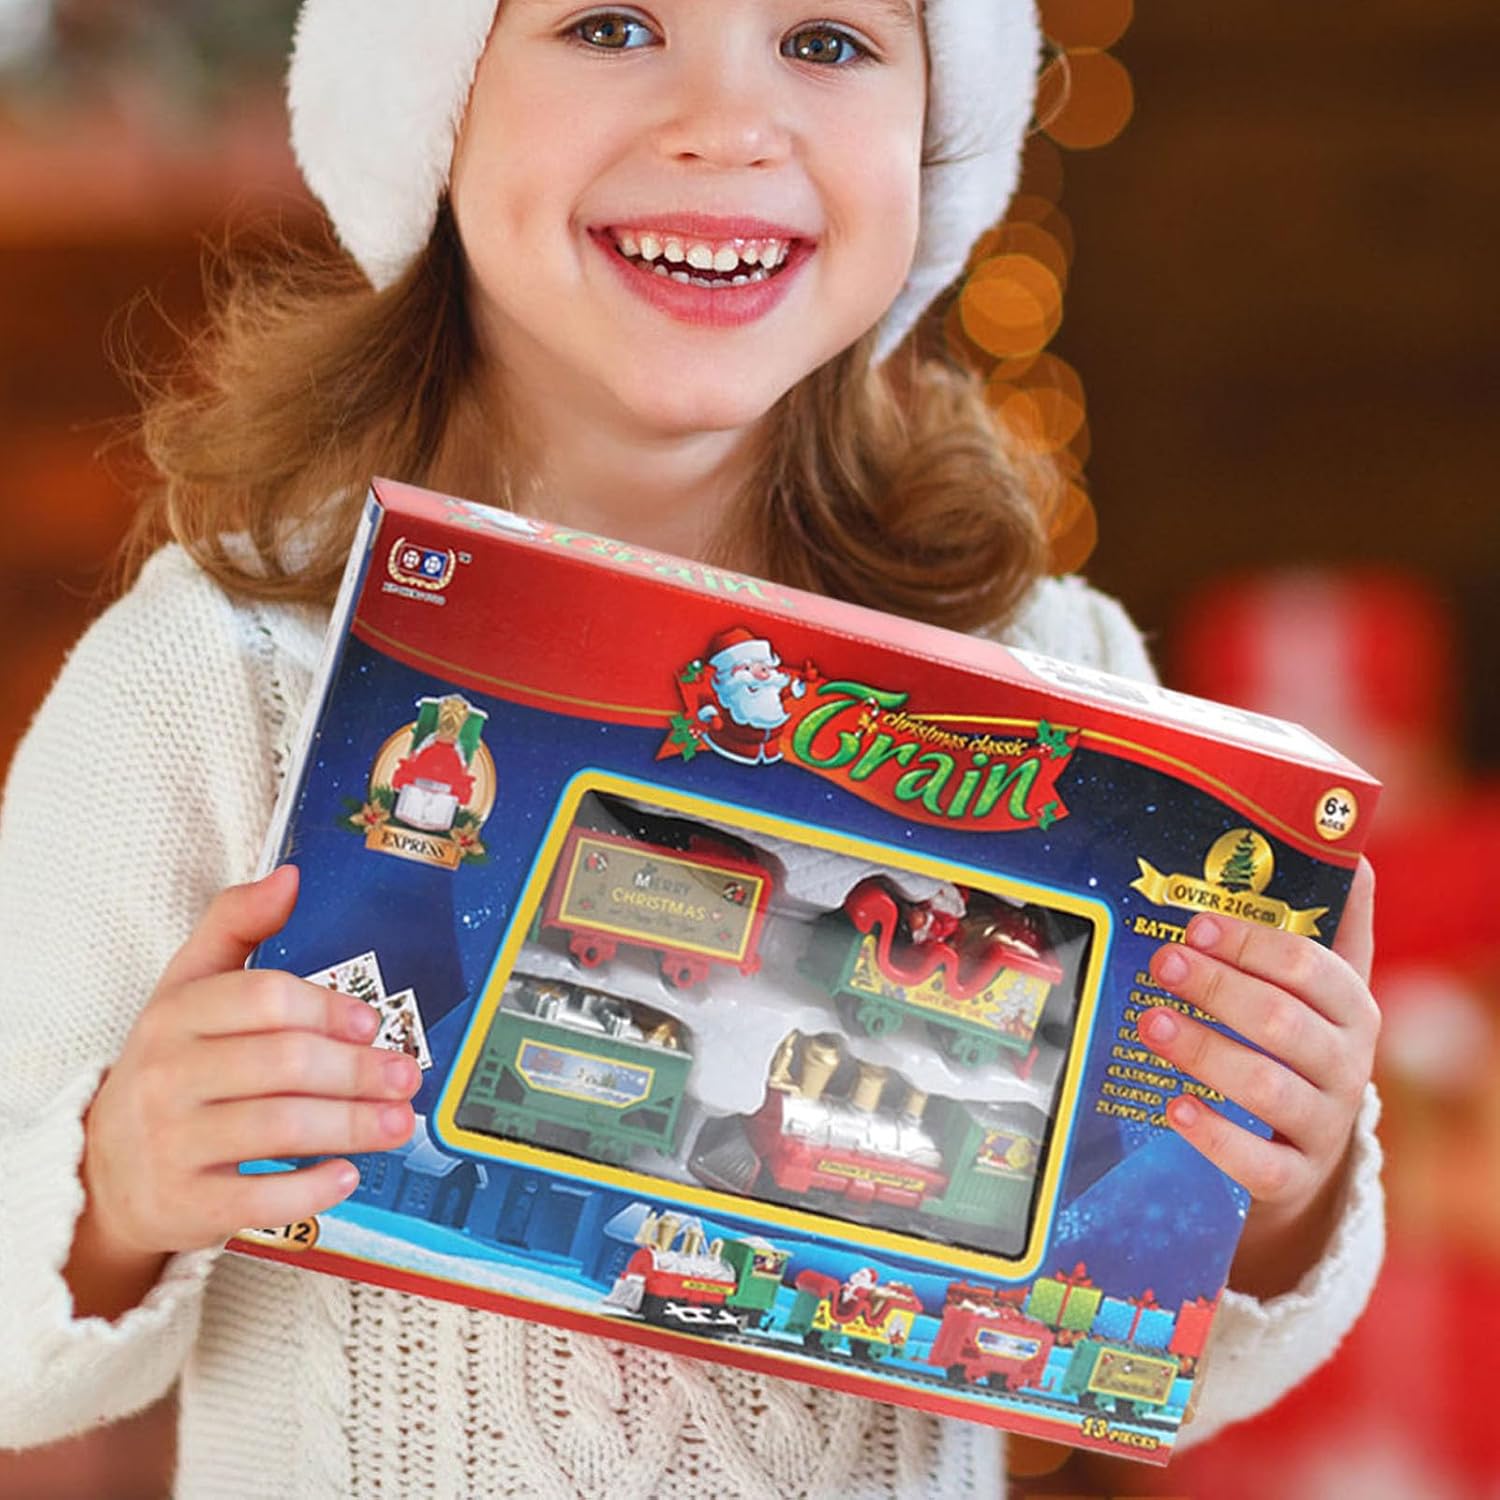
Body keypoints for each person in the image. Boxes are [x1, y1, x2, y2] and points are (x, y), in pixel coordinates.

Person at [0, 3, 1383, 1496]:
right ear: (431, 100)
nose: (725, 124)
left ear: (935, 130)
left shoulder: (1060, 677)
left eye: (827, 41)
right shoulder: (218, 672)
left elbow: (1144, 1362)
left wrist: (1277, 1189)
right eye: (612, 24)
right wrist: (115, 1178)